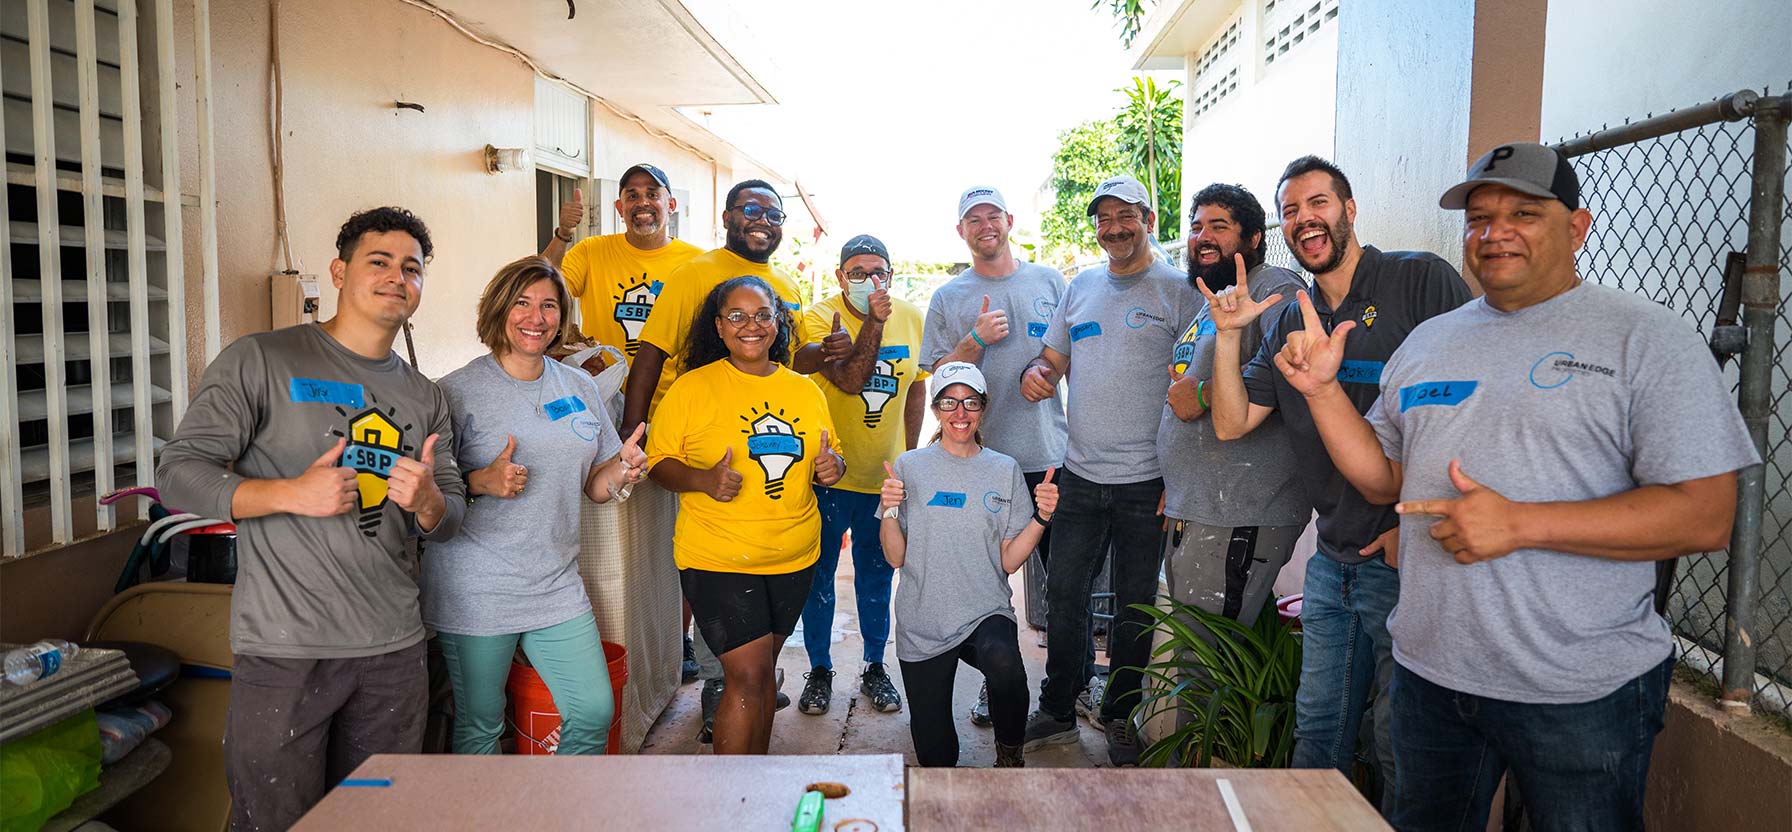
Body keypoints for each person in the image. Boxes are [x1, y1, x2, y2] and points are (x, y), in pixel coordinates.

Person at [1274, 142, 1757, 830]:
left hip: (1579, 689)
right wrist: (1323, 393)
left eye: (1524, 213)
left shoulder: (1646, 339)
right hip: (1430, 675)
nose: (1494, 233)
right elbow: (1386, 478)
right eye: (1479, 217)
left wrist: (1524, 523)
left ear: (1577, 226)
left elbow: (1705, 517)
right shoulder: (1432, 342)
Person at [157, 207, 465, 830]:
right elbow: (178, 473)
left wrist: (428, 500)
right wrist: (289, 494)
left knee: (379, 820)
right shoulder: (262, 360)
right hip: (286, 650)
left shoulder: (424, 395)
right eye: (378, 261)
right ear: (339, 270)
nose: (396, 277)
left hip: (395, 651)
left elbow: (451, 514)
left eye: (412, 268)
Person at [1205, 156, 1471, 801]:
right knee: (1317, 733)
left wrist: (1427, 529)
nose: (1305, 220)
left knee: (1398, 740)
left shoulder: (1418, 280)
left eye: (1318, 203)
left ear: (1348, 210)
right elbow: (1231, 422)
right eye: (1291, 211)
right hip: (1334, 556)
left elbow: (1471, 405)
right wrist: (1229, 336)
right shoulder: (1292, 317)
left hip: (1411, 557)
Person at [625, 179, 850, 737]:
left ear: (778, 322)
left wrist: (833, 469)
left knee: (762, 679)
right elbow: (658, 461)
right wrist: (703, 477)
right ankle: (735, 801)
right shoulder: (693, 388)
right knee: (745, 679)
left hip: (794, 556)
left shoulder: (804, 389)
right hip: (720, 557)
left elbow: (830, 456)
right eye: (736, 316)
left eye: (763, 315)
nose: (751, 324)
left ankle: (756, 791)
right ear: (718, 325)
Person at [421, 256, 650, 756]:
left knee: (592, 710)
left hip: (555, 581)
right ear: (499, 308)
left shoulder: (579, 386)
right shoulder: (455, 391)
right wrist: (478, 480)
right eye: (522, 303)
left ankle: (552, 815)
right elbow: (427, 494)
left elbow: (594, 485)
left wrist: (623, 470)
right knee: (482, 726)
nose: (536, 317)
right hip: (477, 584)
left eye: (549, 305)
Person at [1018, 175, 1201, 765]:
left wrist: (1178, 476)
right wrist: (1035, 374)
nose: (1114, 228)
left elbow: (1193, 390)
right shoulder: (1081, 288)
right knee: (1065, 596)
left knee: (1135, 604)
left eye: (1125, 215)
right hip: (1080, 473)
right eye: (1103, 219)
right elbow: (1052, 360)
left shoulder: (1179, 291)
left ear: (1148, 217)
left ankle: (1122, 714)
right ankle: (1058, 705)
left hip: (1148, 481)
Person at [539, 162, 707, 683]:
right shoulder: (589, 253)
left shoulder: (695, 263)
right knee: (624, 539)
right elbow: (534, 282)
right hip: (610, 418)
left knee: (684, 538)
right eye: (630, 194)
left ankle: (678, 640)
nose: (642, 203)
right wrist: (563, 233)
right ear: (618, 207)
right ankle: (627, 640)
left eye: (652, 193)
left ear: (670, 203)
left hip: (679, 417)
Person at [920, 186, 1078, 726]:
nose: (985, 225)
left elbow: (1074, 359)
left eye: (993, 215)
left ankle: (1065, 690)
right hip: (976, 461)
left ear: (1010, 221)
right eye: (973, 219)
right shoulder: (947, 298)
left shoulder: (1050, 282)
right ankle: (998, 680)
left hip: (1047, 458)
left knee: (1065, 583)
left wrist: (1046, 372)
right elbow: (940, 378)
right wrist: (974, 340)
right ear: (960, 231)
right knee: (986, 580)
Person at [880, 362, 1057, 768]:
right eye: (949, 402)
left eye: (970, 402)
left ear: (983, 408)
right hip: (924, 619)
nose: (960, 413)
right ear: (937, 410)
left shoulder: (1003, 468)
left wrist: (1041, 519)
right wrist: (889, 510)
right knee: (937, 758)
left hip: (983, 609)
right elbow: (895, 557)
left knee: (1006, 666)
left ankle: (1010, 754)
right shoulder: (909, 467)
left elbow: (1009, 560)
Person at [1158, 184, 1310, 634]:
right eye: (1196, 226)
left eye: (1219, 226)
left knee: (1204, 659)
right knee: (1198, 652)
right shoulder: (1215, 298)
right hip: (1204, 503)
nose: (1203, 236)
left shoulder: (1274, 289)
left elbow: (1293, 372)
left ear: (1254, 238)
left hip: (1241, 509)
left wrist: (1202, 394)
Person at [796, 235, 930, 716]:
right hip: (827, 477)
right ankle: (819, 668)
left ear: (891, 275)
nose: (869, 281)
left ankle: (875, 665)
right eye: (857, 272)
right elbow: (850, 379)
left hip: (883, 479)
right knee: (820, 577)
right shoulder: (818, 318)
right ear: (839, 277)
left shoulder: (913, 318)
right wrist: (872, 321)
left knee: (877, 577)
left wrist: (910, 458)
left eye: (879, 271)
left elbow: (916, 391)